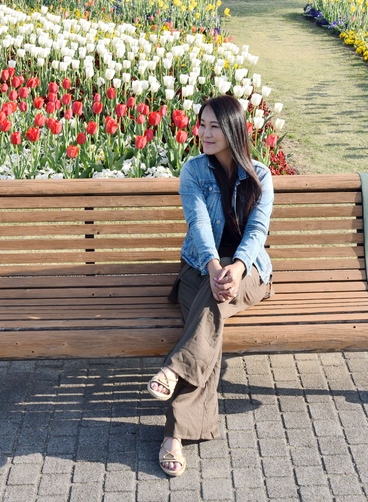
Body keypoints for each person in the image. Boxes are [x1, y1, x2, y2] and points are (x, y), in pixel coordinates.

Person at [146, 95, 274, 478]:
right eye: (202, 124)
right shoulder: (194, 171)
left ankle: (173, 385)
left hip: (250, 273)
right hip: (200, 268)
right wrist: (216, 266)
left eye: (214, 126)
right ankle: (176, 435)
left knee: (212, 309)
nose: (204, 132)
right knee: (210, 322)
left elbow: (257, 230)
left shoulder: (260, 176)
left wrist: (236, 268)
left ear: (234, 129)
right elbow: (199, 224)